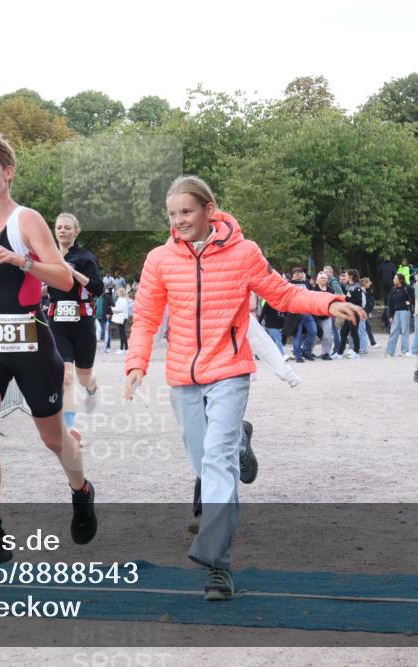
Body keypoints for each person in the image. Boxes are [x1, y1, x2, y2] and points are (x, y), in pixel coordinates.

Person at [122, 175, 363, 601]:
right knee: (202, 461)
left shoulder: (243, 253)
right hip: (182, 376)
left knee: (216, 462)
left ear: (209, 210)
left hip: (230, 369)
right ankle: (239, 443)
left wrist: (328, 302)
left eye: (186, 212)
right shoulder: (159, 259)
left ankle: (217, 564)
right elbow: (145, 317)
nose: (178, 220)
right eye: (173, 213)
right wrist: (136, 364)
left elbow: (283, 294)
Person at [0, 131, 96, 568]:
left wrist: (23, 262)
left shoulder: (27, 221)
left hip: (33, 342)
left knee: (54, 440)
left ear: (7, 171)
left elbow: (63, 279)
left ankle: (81, 491)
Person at [48, 212, 104, 429]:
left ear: (76, 231)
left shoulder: (85, 257)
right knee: (66, 375)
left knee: (83, 376)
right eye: (59, 227)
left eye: (67, 228)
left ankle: (92, 388)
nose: (62, 230)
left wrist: (72, 272)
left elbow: (98, 289)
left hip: (82, 323)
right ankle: (70, 429)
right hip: (58, 323)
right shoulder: (49, 256)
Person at [385, 273, 413, 357]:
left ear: (400, 280)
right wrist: (390, 315)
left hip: (405, 311)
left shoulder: (407, 288)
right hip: (396, 313)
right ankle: (389, 352)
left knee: (405, 331)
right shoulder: (393, 289)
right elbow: (390, 303)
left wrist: (408, 303)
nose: (393, 280)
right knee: (393, 331)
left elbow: (413, 298)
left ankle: (405, 351)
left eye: (395, 278)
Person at [112, 287, 130, 354]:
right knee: (122, 333)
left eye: (118, 292)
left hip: (121, 317)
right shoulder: (124, 299)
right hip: (124, 317)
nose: (116, 293)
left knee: (122, 333)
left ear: (120, 293)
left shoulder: (121, 299)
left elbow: (120, 309)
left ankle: (123, 348)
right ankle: (124, 349)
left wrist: (113, 309)